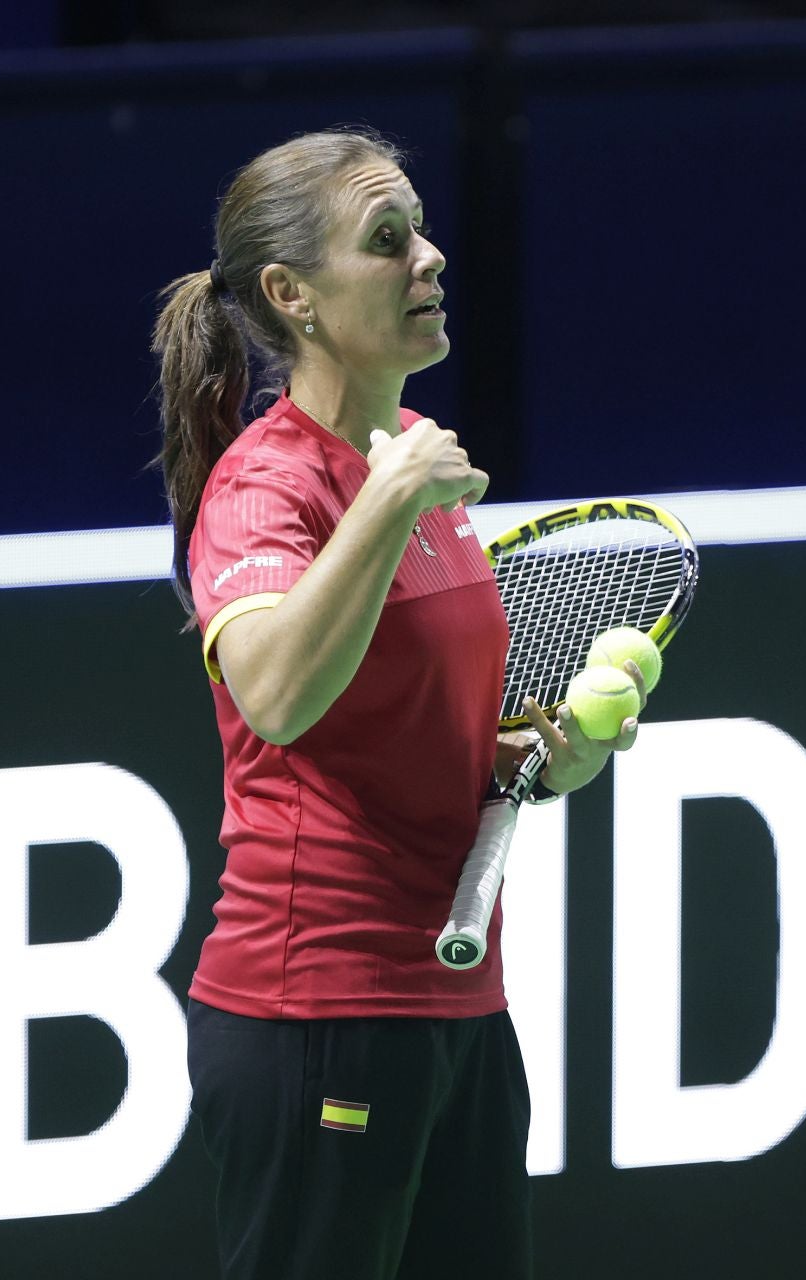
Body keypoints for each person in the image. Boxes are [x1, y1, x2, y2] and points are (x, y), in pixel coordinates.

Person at [153, 127, 644, 1280]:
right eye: (386, 241)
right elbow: (273, 692)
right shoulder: (268, 483)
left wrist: (537, 751)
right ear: (293, 296)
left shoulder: (417, 456)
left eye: (420, 229)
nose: (428, 258)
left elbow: (408, 724)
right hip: (317, 1015)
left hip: (458, 1007)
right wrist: (385, 498)